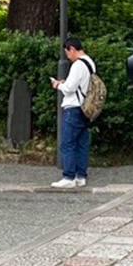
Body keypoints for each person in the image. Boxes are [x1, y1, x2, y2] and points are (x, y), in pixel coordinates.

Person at [50, 36, 95, 189]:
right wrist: (67, 83)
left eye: (67, 53)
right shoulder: (90, 63)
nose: (67, 56)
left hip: (74, 108)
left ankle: (69, 177)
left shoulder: (77, 65)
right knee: (82, 143)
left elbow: (69, 88)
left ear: (72, 49)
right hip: (85, 108)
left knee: (68, 143)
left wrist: (58, 85)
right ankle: (81, 176)